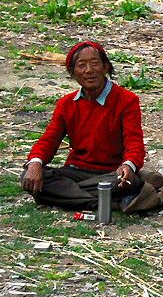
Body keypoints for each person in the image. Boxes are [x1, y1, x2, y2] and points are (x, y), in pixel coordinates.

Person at [21, 41, 146, 211]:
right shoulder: (66, 104)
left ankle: (72, 198)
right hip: (76, 171)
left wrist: (129, 165)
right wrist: (35, 163)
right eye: (81, 65)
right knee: (29, 177)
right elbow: (49, 140)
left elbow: (134, 142)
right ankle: (105, 202)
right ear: (72, 73)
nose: (89, 70)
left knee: (127, 182)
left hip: (112, 172)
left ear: (106, 67)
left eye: (95, 63)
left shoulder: (127, 100)